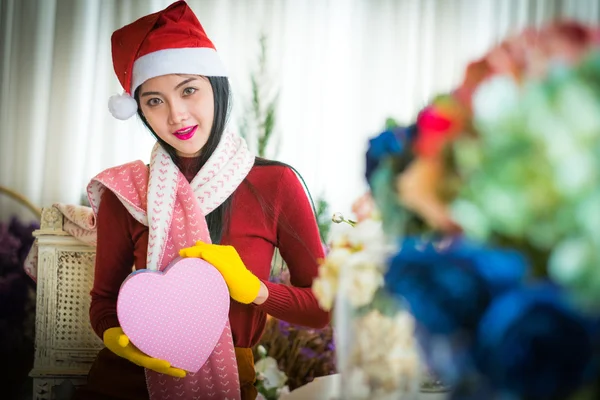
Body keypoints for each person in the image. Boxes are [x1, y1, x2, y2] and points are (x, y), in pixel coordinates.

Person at [73, 1, 330, 399]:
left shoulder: (275, 183)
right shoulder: (126, 189)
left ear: (217, 87)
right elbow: (104, 302)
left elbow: (321, 307)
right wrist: (118, 340)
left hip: (227, 384)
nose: (176, 115)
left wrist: (255, 290)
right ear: (140, 110)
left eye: (189, 90)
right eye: (154, 101)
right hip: (121, 383)